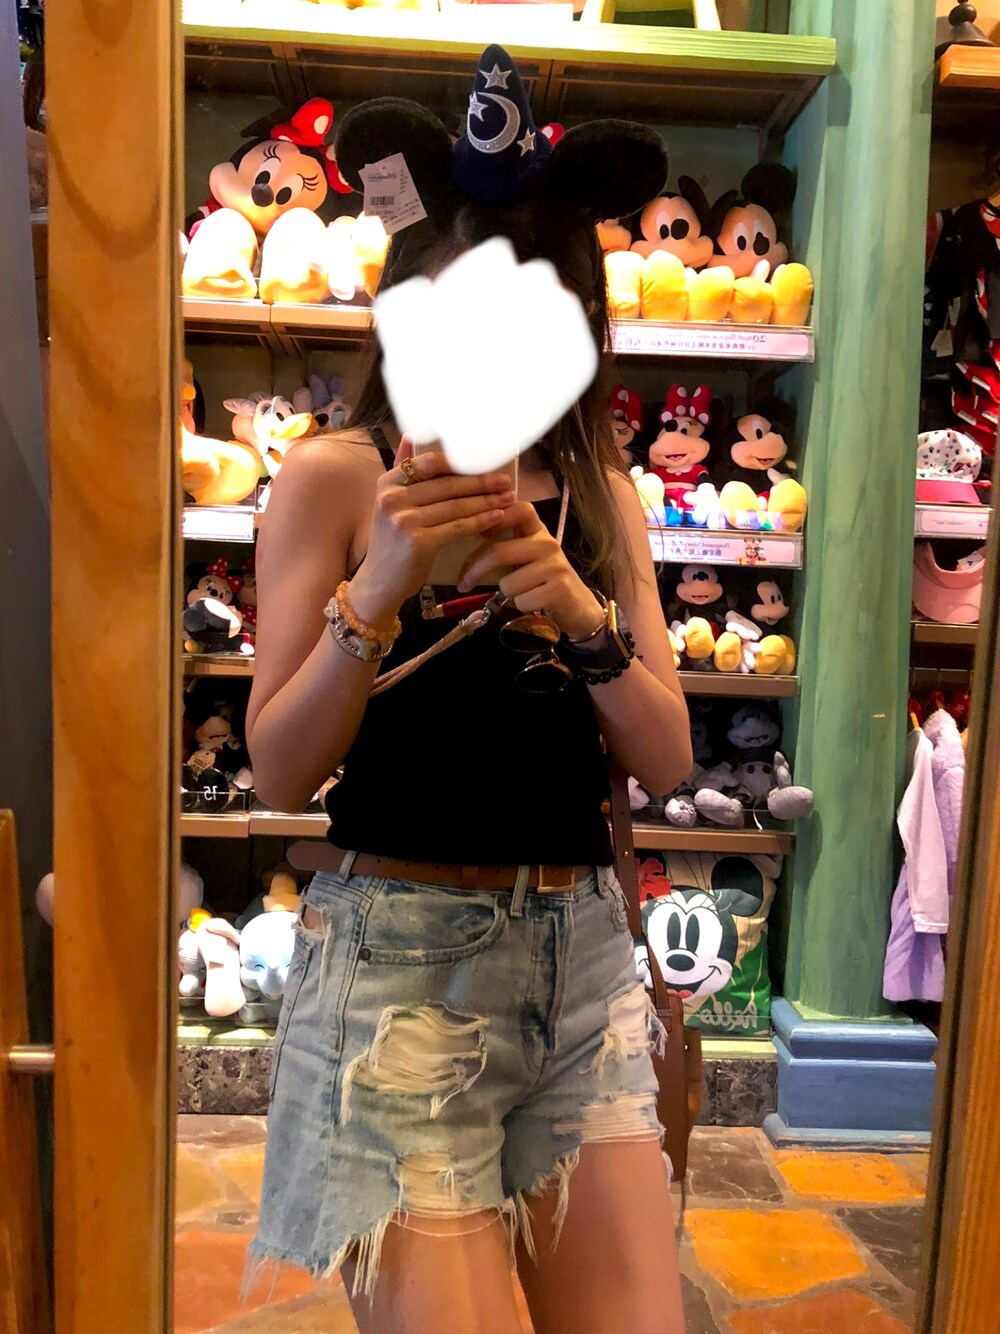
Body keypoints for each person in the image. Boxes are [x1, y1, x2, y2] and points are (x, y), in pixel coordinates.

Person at [244, 45, 693, 1334]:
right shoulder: (336, 478)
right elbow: (280, 770)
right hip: (396, 974)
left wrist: (580, 614)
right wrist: (378, 588)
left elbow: (668, 760)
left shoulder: (602, 496)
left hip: (583, 969)